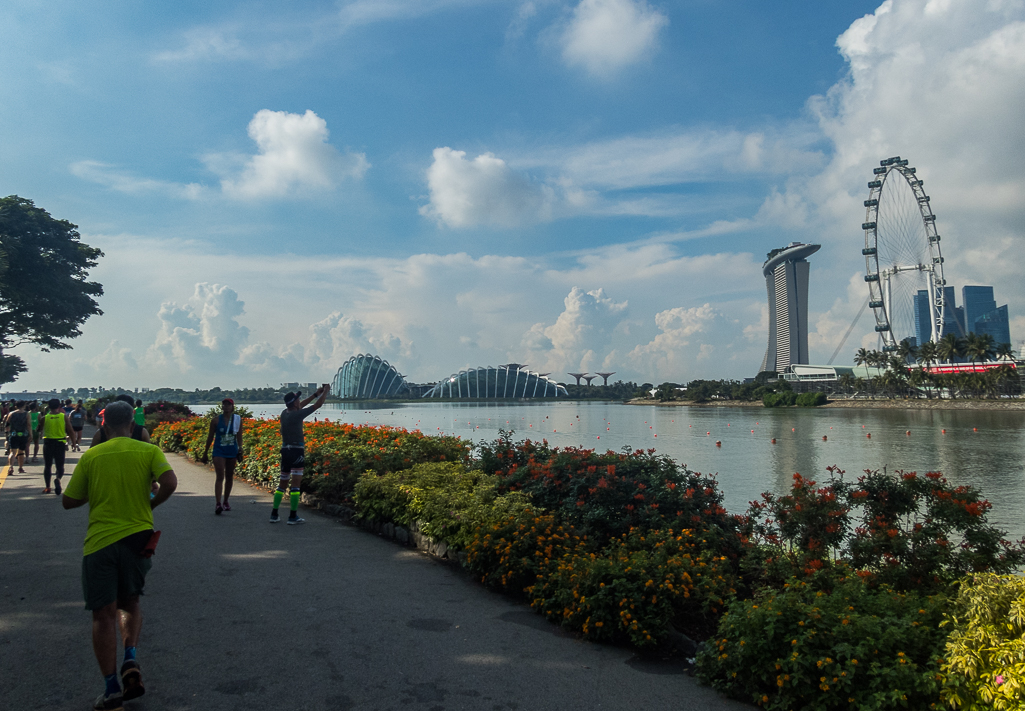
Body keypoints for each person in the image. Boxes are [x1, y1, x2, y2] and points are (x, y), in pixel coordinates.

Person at [62, 401, 178, 710]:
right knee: (131, 603)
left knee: (103, 616)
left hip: (99, 545)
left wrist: (96, 489)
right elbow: (169, 482)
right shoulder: (148, 451)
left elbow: (69, 501)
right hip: (138, 541)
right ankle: (130, 658)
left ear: (103, 425)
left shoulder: (92, 456)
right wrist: (149, 505)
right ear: (132, 423)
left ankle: (112, 688)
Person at [272, 385, 329, 524]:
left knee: (282, 484)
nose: (300, 401)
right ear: (295, 403)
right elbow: (318, 405)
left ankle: (274, 514)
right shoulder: (297, 415)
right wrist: (326, 392)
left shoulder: (285, 414)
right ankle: (292, 516)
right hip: (297, 451)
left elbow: (301, 405)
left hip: (285, 450)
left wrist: (316, 393)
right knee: (295, 485)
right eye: (298, 399)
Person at [200, 399, 244, 515]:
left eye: (228, 404)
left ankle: (226, 501)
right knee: (220, 476)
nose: (226, 406)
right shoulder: (215, 420)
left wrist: (240, 448)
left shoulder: (237, 420)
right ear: (222, 407)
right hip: (219, 451)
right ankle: (218, 503)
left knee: (229, 476)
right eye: (224, 404)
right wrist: (205, 452)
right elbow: (210, 437)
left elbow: (239, 436)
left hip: (232, 451)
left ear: (232, 406)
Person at [42, 398, 72, 495]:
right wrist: (74, 442)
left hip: (48, 443)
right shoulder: (63, 417)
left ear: (49, 407)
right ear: (59, 406)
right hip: (60, 443)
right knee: (60, 466)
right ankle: (58, 478)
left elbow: (39, 429)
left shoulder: (44, 418)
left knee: (48, 465)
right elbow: (70, 430)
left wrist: (44, 413)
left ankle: (47, 487)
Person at [4, 401, 31, 475]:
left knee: (12, 452)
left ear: (16, 406)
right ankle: (20, 468)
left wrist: (8, 433)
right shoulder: (27, 414)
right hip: (23, 435)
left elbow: (7, 425)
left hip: (14, 434)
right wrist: (30, 434)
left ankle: (11, 467)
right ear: (24, 406)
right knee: (21, 452)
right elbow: (28, 425)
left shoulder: (11, 414)